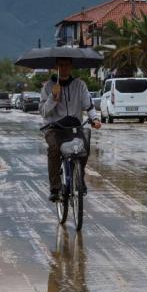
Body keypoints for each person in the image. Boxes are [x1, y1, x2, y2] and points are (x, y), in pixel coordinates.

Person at [40, 57, 101, 202]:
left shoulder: (80, 85)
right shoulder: (48, 86)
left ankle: (79, 178)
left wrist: (95, 119)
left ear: (71, 66)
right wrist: (53, 97)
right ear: (56, 67)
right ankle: (55, 188)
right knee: (54, 150)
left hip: (75, 126)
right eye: (61, 65)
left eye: (67, 65)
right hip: (54, 128)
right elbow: (43, 112)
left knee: (84, 148)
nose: (64, 68)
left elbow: (88, 105)